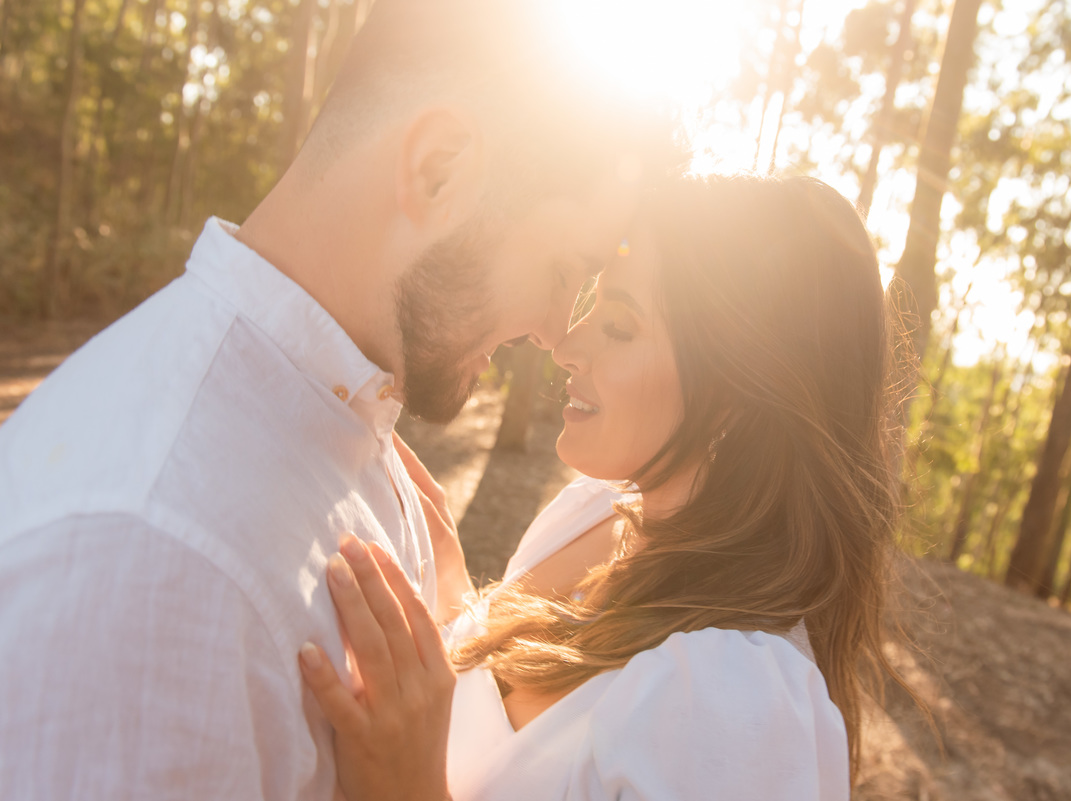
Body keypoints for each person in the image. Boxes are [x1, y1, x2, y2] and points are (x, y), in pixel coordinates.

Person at [0, 1, 676, 797]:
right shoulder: (141, 556)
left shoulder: (354, 424)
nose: (556, 331)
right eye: (565, 268)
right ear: (440, 168)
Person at [301, 174, 909, 800]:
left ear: (739, 398)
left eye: (620, 325)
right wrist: (458, 610)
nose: (566, 345)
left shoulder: (739, 707)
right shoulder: (593, 514)